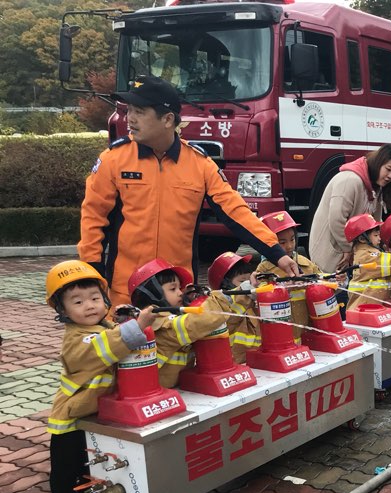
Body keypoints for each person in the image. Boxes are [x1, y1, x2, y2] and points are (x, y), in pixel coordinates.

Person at [78, 75, 299, 306]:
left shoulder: (200, 164)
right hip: (126, 294)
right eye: (129, 110)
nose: (130, 119)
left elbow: (235, 211)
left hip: (178, 292)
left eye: (140, 112)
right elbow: (93, 218)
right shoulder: (113, 160)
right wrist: (93, 274)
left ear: (167, 119)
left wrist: (276, 253)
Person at [45, 260, 158, 493]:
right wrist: (135, 327)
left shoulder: (102, 328)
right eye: (78, 302)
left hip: (93, 413)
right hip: (71, 420)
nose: (89, 305)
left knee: (90, 461)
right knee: (67, 467)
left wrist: (125, 321)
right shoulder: (77, 340)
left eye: (95, 297)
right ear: (62, 310)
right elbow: (101, 348)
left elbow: (113, 335)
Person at [308, 144, 391, 275]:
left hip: (352, 252)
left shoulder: (376, 187)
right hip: (331, 253)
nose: (390, 176)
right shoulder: (349, 180)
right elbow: (336, 220)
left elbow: (376, 222)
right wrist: (348, 248)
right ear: (378, 163)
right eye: (388, 169)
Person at [128, 259, 227, 388]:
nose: (180, 293)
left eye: (180, 288)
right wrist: (220, 299)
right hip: (158, 392)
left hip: (176, 389)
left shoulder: (172, 316)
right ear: (154, 293)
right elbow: (198, 322)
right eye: (173, 289)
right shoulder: (157, 323)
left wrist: (194, 301)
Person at [255, 211, 323, 340]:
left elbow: (322, 282)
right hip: (283, 336)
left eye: (292, 239)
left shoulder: (306, 264)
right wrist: (284, 288)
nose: (290, 246)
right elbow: (259, 297)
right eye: (282, 242)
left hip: (308, 331)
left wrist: (337, 280)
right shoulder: (264, 270)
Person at [205, 251, 261, 363]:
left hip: (255, 361)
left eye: (248, 280)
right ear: (225, 285)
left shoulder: (251, 301)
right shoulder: (222, 307)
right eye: (242, 281)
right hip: (236, 363)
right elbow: (233, 312)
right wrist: (243, 291)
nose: (247, 284)